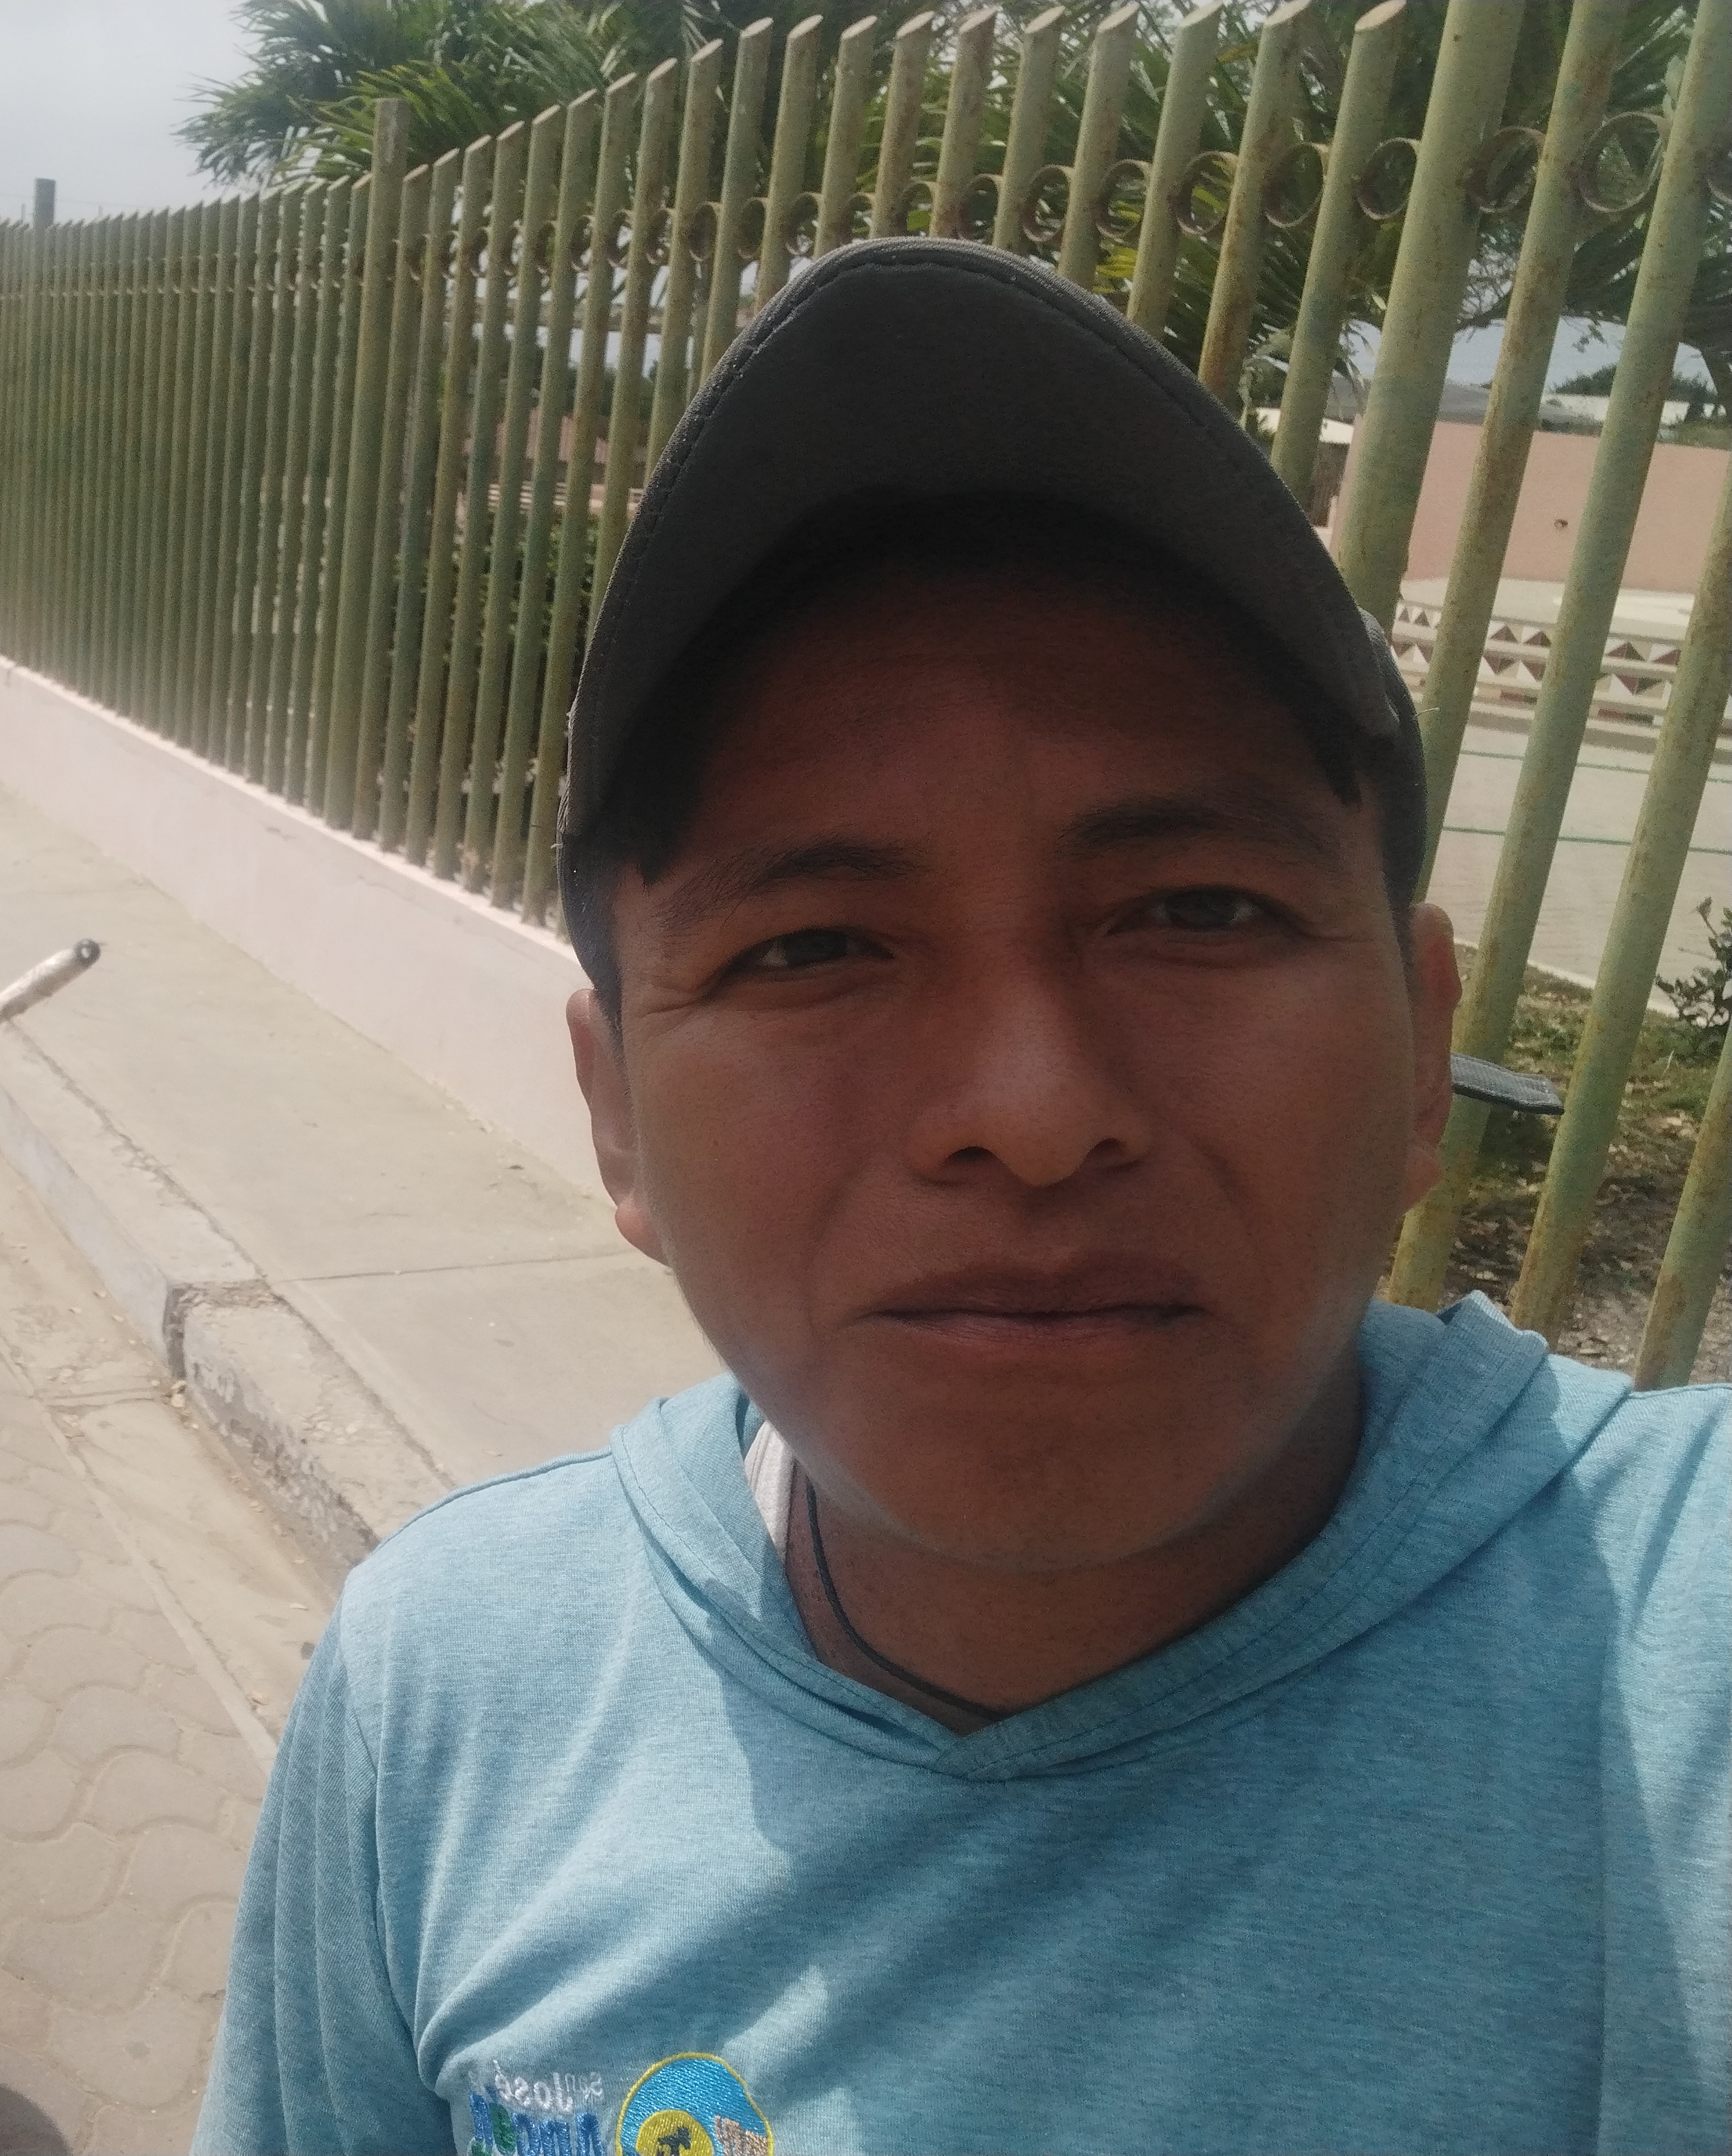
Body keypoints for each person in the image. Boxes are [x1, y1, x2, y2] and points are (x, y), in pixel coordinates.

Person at [191, 240, 1726, 2156]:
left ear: (1422, 1051)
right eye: (813, 947)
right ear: (617, 1118)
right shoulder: (448, 1690)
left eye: (1199, 912)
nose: (1035, 1113)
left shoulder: (1678, 1639)